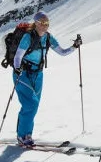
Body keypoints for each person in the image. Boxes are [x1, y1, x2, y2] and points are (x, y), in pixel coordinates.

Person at [11, 11, 80, 147]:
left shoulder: (48, 38)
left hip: (38, 75)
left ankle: (26, 133)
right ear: (35, 23)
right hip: (23, 73)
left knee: (33, 106)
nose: (44, 25)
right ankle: (22, 136)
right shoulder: (27, 37)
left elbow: (62, 52)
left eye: (47, 23)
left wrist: (74, 46)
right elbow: (18, 56)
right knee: (31, 104)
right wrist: (18, 68)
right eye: (42, 22)